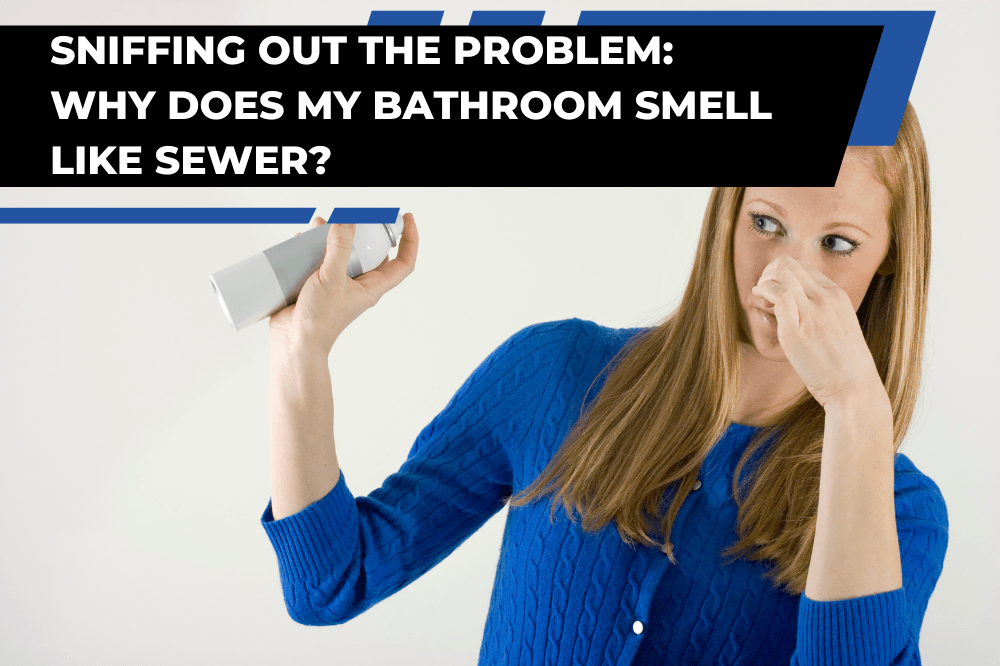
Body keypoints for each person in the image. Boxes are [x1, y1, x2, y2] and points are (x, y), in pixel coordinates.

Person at [260, 101, 947, 666]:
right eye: (766, 224)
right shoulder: (554, 371)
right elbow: (330, 582)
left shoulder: (901, 512)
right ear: (726, 216)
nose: (782, 277)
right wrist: (301, 354)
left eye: (838, 245)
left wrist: (858, 408)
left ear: (886, 264)